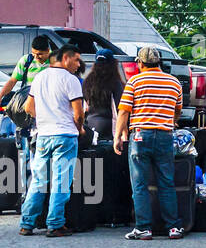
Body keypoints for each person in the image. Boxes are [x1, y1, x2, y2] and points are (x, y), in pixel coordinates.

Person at [115, 45, 185, 240]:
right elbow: (177, 109)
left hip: (140, 136)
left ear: (140, 63)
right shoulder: (173, 82)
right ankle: (173, 227)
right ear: (159, 62)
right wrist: (171, 121)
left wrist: (118, 136)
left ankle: (144, 228)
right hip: (165, 136)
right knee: (166, 183)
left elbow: (124, 111)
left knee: (140, 184)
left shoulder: (134, 81)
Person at [17, 45, 84, 237]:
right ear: (65, 59)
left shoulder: (40, 77)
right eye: (76, 60)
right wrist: (79, 129)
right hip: (65, 135)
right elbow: (78, 113)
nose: (78, 64)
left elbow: (29, 107)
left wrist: (45, 118)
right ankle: (55, 224)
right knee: (61, 181)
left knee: (38, 180)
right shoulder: (71, 80)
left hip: (43, 135)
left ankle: (26, 223)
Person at [2, 34, 53, 159]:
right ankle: (26, 169)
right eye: (34, 53)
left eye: (40, 54)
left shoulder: (55, 62)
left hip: (47, 108)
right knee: (25, 143)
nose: (36, 57)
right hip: (28, 108)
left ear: (48, 51)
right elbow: (12, 81)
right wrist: (1, 95)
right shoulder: (26, 60)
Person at [81, 49, 124, 143]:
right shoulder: (115, 83)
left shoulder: (87, 82)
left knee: (93, 158)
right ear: (113, 64)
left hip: (90, 128)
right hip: (109, 130)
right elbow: (120, 110)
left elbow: (84, 108)